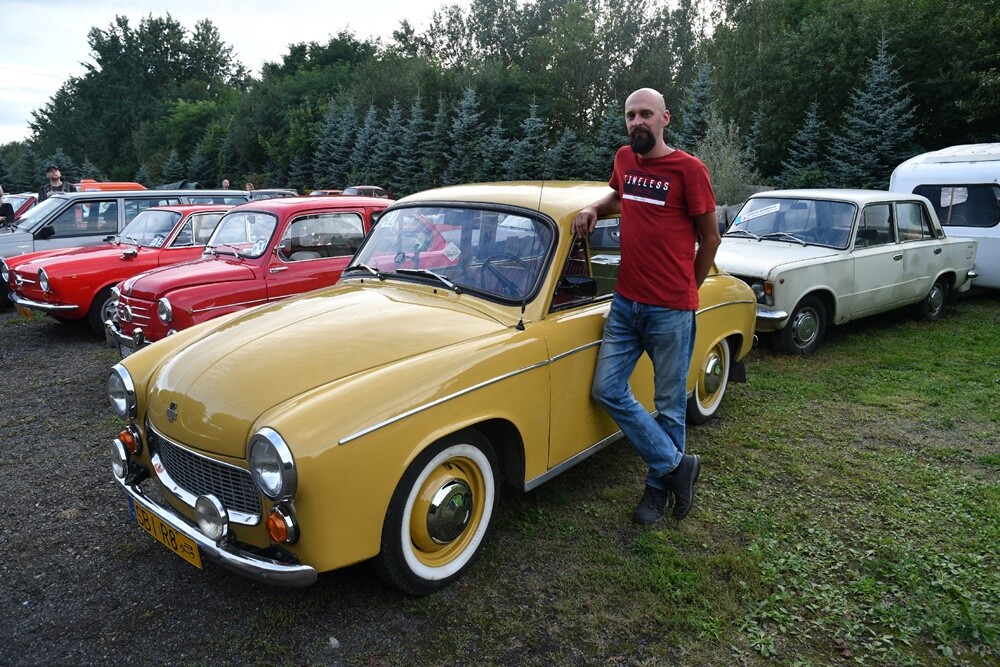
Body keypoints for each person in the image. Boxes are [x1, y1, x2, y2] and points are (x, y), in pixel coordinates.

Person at [571, 87, 721, 524]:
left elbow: (710, 236)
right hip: (625, 304)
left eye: (646, 115)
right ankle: (677, 467)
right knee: (607, 390)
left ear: (664, 119)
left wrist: (687, 293)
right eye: (631, 115)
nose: (637, 121)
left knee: (670, 404)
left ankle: (656, 491)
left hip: (670, 309)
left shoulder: (689, 169)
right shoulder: (624, 159)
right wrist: (595, 205)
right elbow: (621, 195)